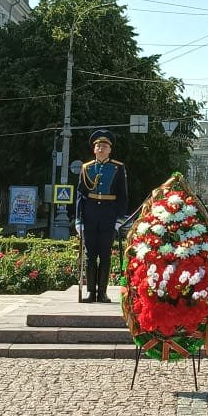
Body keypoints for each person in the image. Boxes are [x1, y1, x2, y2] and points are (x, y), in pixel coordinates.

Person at [75, 129, 128, 303]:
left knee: (105, 255)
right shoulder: (86, 168)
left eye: (104, 146)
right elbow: (80, 195)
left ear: (109, 150)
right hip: (90, 215)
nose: (100, 149)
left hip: (108, 215)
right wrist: (78, 219)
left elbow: (123, 195)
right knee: (90, 255)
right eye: (98, 146)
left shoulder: (118, 168)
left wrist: (119, 219)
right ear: (94, 149)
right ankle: (91, 292)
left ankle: (103, 293)